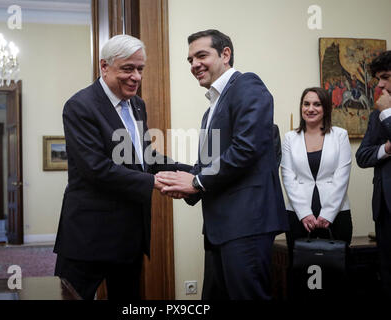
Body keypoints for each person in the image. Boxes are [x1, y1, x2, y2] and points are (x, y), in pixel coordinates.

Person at [53, 34, 190, 300]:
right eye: (128, 68)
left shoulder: (138, 105)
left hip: (129, 236)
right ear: (104, 67)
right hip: (87, 237)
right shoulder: (80, 106)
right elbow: (96, 168)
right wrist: (156, 182)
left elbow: (145, 158)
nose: (136, 77)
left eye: (140, 69)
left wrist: (192, 172)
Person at [156, 29, 288, 300]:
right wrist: (175, 177)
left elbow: (245, 149)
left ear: (225, 54)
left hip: (246, 224)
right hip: (219, 228)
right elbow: (211, 166)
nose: (194, 65)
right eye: (190, 59)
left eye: (201, 55)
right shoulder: (210, 111)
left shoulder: (247, 85)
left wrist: (195, 182)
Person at [281, 87, 353, 299]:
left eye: (317, 104)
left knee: (335, 276)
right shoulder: (289, 138)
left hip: (336, 215)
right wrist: (304, 213)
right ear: (301, 107)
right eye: (306, 104)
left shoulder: (340, 135)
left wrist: (327, 215)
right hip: (298, 216)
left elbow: (342, 176)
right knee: (302, 276)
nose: (310, 109)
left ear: (325, 108)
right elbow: (288, 176)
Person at [356, 50, 391, 299]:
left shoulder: (383, 112)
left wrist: (388, 114)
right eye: (378, 78)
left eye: (386, 77)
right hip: (384, 210)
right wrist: (387, 148)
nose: (379, 84)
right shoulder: (375, 114)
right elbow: (362, 156)